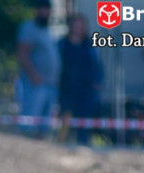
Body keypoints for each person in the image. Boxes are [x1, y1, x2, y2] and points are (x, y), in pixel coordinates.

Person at [16, 0, 61, 136]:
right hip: (34, 83)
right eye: (41, 8)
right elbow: (22, 53)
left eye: (46, 9)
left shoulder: (48, 30)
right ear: (36, 10)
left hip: (51, 84)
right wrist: (33, 75)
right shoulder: (29, 28)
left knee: (45, 127)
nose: (44, 12)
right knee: (29, 123)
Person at [59, 13, 103, 144]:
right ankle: (61, 144)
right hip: (67, 88)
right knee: (65, 119)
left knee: (84, 121)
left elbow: (97, 65)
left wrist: (98, 81)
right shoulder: (62, 44)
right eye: (76, 25)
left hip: (86, 90)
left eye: (81, 25)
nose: (79, 28)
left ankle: (83, 144)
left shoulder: (89, 45)